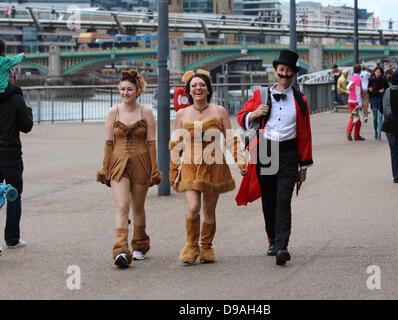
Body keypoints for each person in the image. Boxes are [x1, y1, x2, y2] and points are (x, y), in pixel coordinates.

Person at [236, 50, 313, 266]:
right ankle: (272, 239)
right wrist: (254, 114)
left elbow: (305, 133)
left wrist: (304, 165)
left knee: (283, 199)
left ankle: (282, 245)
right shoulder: (261, 95)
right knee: (269, 198)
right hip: (266, 151)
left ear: (294, 74)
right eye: (281, 71)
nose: (284, 75)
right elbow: (242, 117)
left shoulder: (301, 100)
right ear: (275, 72)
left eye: (288, 72)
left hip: (289, 153)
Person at [169, 69, 247, 265]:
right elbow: (176, 144)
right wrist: (173, 170)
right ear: (188, 90)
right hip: (190, 166)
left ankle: (206, 246)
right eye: (194, 85)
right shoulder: (181, 114)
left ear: (208, 89)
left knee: (209, 211)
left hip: (214, 167)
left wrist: (240, 160)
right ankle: (191, 246)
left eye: (202, 85)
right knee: (193, 207)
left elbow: (230, 139)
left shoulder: (219, 111)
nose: (198, 88)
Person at [96, 70, 162, 269]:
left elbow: (152, 144)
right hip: (118, 164)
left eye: (129, 90)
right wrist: (105, 167)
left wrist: (154, 169)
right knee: (122, 206)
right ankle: (121, 249)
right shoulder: (113, 112)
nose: (125, 93)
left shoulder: (146, 112)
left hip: (141, 163)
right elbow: (109, 143)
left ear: (138, 91)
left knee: (138, 206)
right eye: (122, 89)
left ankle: (140, 243)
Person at [0, 68, 33, 250]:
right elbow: (26, 126)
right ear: (10, 78)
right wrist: (27, 110)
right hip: (11, 155)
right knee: (13, 196)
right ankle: (12, 238)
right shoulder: (17, 99)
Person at [368, 66, 389, 141]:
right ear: (374, 72)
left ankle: (379, 134)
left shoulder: (383, 80)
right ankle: (375, 133)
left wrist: (383, 91)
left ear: (381, 73)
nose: (378, 73)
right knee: (375, 118)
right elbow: (369, 90)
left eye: (379, 72)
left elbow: (387, 89)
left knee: (380, 117)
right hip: (374, 100)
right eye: (376, 72)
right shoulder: (371, 80)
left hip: (381, 99)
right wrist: (370, 90)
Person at [347, 64, 365, 141]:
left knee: (353, 116)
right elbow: (358, 92)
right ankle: (356, 135)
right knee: (358, 118)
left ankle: (349, 131)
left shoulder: (352, 78)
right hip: (356, 102)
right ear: (360, 71)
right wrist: (360, 103)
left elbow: (347, 87)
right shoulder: (358, 79)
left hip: (350, 100)